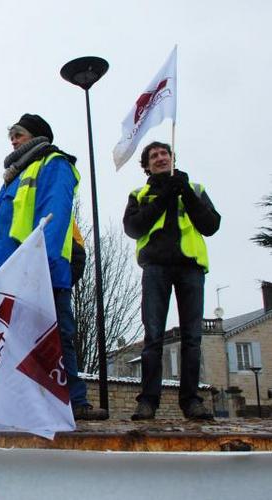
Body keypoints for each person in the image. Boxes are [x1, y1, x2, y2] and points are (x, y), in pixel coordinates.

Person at [0, 113, 107, 420]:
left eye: (19, 134)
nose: (13, 139)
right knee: (14, 343)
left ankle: (74, 402)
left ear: (37, 136)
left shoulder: (54, 163)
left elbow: (55, 214)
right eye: (12, 135)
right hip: (9, 274)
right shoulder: (12, 177)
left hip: (39, 270)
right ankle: (22, 405)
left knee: (56, 337)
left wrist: (39, 263)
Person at [123, 141, 220, 420]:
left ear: (172, 157)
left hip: (190, 268)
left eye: (165, 153)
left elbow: (210, 225)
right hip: (155, 268)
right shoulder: (139, 194)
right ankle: (148, 402)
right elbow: (133, 227)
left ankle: (191, 401)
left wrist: (185, 191)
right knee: (153, 336)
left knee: (193, 338)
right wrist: (165, 195)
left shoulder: (195, 189)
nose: (160, 158)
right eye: (154, 156)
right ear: (147, 165)